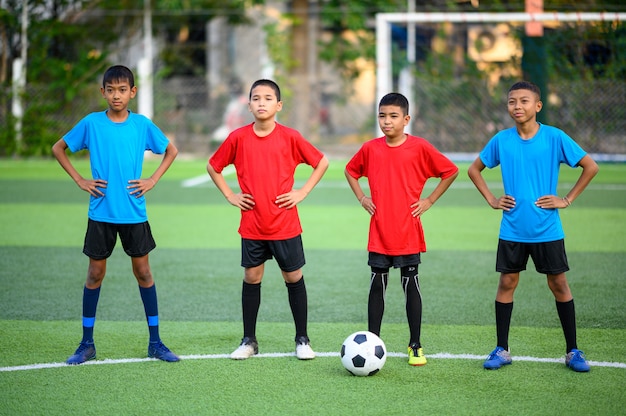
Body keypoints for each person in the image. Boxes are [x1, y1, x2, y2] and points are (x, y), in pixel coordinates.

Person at [52, 65, 180, 365]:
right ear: (103, 92)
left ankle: (156, 342)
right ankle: (86, 344)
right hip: (101, 212)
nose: (116, 95)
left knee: (144, 273)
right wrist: (80, 180)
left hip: (134, 213)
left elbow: (170, 151)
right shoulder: (92, 123)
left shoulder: (142, 125)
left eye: (122, 90)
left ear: (132, 92)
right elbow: (59, 148)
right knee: (95, 274)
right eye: (110, 90)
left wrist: (152, 180)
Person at [468, 81, 599, 372]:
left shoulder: (554, 138)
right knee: (506, 283)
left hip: (547, 230)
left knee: (559, 284)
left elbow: (590, 166)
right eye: (512, 101)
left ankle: (573, 351)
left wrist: (566, 199)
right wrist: (491, 198)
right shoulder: (501, 140)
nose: (517, 107)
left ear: (537, 106)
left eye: (524, 101)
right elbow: (473, 169)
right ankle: (502, 349)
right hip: (512, 229)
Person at [207, 79, 329, 360]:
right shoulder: (238, 138)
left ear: (278, 105)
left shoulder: (290, 137)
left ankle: (302, 339)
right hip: (252, 223)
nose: (262, 103)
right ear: (248, 105)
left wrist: (303, 191)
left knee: (293, 276)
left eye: (268, 98)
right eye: (256, 98)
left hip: (285, 222)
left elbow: (321, 161)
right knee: (252, 276)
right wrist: (230, 195)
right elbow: (213, 166)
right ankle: (249, 340)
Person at [345, 92, 459, 366]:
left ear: (406, 119)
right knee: (377, 285)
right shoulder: (370, 148)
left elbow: (451, 171)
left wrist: (429, 200)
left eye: (393, 116)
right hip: (380, 231)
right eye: (382, 116)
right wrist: (362, 197)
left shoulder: (420, 147)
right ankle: (372, 342)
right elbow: (351, 170)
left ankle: (415, 344)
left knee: (411, 285)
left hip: (408, 230)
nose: (387, 121)